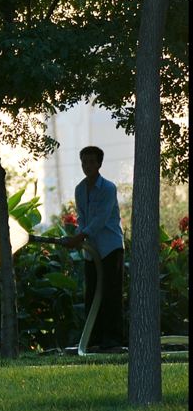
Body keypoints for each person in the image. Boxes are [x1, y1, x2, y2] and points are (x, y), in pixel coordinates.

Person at [64, 146, 126, 352]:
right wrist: (81, 240)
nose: (87, 166)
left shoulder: (108, 188)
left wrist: (79, 237)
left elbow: (100, 220)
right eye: (84, 162)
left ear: (99, 164)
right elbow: (83, 218)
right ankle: (93, 338)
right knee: (91, 293)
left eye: (91, 162)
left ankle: (112, 339)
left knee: (110, 293)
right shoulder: (80, 189)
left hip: (110, 247)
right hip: (91, 250)